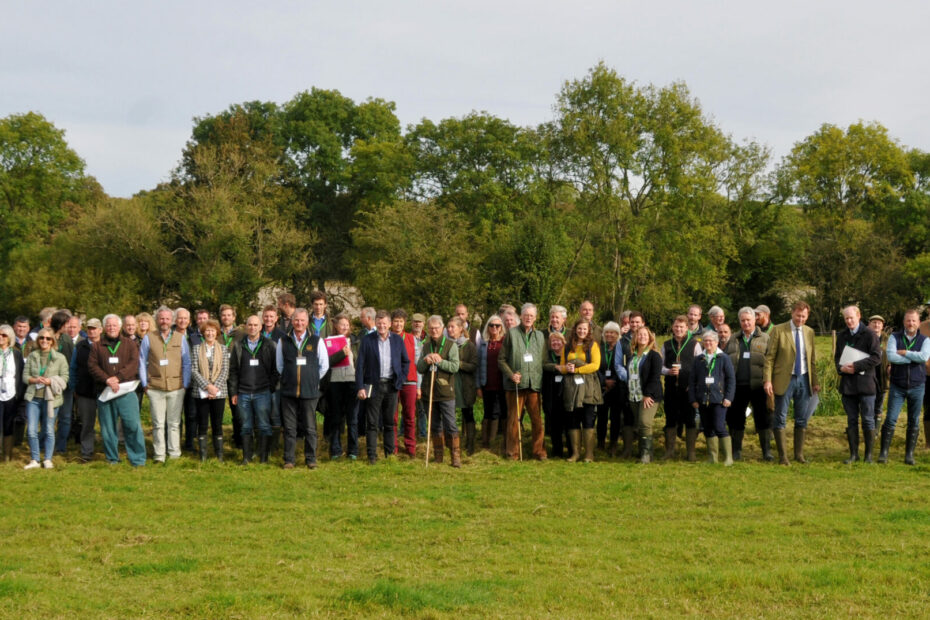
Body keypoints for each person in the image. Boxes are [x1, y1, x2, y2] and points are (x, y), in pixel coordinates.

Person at [763, 301, 820, 465]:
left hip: (803, 379)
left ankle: (799, 455)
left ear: (807, 316)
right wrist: (767, 380)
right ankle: (783, 457)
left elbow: (812, 359)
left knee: (802, 419)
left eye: (803, 316)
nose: (800, 319)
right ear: (792, 313)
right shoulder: (778, 330)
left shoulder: (809, 332)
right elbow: (769, 358)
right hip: (784, 380)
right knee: (780, 417)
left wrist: (814, 381)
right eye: (798, 315)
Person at [88, 315, 146, 466]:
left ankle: (138, 459)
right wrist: (107, 379)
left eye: (114, 325)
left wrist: (118, 378)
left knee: (133, 425)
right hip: (105, 391)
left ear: (119, 327)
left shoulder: (130, 344)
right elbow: (93, 367)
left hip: (126, 390)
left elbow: (134, 364)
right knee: (107, 428)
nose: (111, 328)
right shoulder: (97, 346)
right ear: (104, 328)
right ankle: (112, 458)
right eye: (108, 325)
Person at [276, 308, 329, 469]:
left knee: (310, 428)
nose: (299, 323)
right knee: (290, 428)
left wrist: (312, 380)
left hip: (309, 392)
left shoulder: (316, 341)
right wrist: (288, 379)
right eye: (296, 320)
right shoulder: (283, 341)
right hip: (289, 392)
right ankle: (289, 460)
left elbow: (324, 365)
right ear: (292, 321)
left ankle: (311, 459)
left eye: (302, 320)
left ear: (307, 322)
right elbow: (279, 365)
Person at [139, 306, 192, 464]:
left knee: (174, 423)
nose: (164, 321)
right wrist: (144, 383)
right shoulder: (149, 338)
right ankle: (159, 455)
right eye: (161, 318)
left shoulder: (180, 338)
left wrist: (185, 383)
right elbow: (142, 361)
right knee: (158, 424)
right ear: (157, 320)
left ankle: (174, 453)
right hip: (155, 387)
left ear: (172, 321)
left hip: (176, 387)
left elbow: (187, 362)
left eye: (167, 319)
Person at [355, 310, 409, 464]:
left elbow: (406, 362)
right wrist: (360, 387)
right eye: (379, 323)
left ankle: (389, 454)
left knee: (389, 422)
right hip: (373, 386)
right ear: (375, 323)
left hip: (392, 386)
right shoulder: (367, 340)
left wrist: (401, 378)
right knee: (371, 423)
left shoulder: (398, 340)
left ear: (390, 324)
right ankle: (372, 456)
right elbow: (360, 366)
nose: (382, 326)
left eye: (384, 323)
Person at [879, 309, 930, 465]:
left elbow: (924, 357)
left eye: (914, 321)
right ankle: (883, 453)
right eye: (908, 320)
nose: (911, 323)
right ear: (904, 322)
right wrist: (913, 357)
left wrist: (905, 352)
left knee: (913, 421)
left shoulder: (925, 340)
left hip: (917, 385)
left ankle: (909, 455)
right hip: (898, 385)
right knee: (891, 419)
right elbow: (892, 357)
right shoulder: (895, 337)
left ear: (918, 322)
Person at [499, 303, 547, 461]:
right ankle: (512, 452)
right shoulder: (511, 334)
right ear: (520, 316)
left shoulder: (540, 336)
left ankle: (538, 451)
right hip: (516, 385)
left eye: (531, 316)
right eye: (526, 315)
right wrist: (511, 374)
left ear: (535, 318)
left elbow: (544, 360)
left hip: (534, 384)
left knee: (537, 420)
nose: (528, 318)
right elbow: (501, 360)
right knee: (514, 420)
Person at [228, 315, 278, 465]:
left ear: (260, 327)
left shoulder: (269, 344)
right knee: (245, 425)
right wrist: (233, 392)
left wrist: (270, 388)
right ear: (245, 326)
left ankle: (263, 458)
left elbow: (276, 370)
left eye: (256, 325)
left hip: (263, 392)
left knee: (264, 425)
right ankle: (246, 458)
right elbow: (233, 371)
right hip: (243, 392)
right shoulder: (238, 345)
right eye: (250, 325)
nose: (252, 328)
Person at [834, 306, 882, 463]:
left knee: (868, 419)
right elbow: (837, 359)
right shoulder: (841, 336)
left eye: (851, 318)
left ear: (859, 316)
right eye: (846, 318)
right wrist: (841, 368)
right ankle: (853, 454)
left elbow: (876, 358)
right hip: (848, 386)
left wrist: (855, 366)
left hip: (866, 384)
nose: (849, 321)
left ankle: (868, 456)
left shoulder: (870, 334)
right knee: (851, 419)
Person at [725, 307, 772, 461]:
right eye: (743, 320)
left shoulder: (765, 338)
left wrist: (768, 381)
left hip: (759, 386)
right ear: (740, 322)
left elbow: (771, 362)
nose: (746, 323)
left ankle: (766, 452)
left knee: (762, 418)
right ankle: (736, 451)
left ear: (754, 320)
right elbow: (726, 361)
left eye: (748, 320)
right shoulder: (732, 339)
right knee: (736, 419)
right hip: (738, 386)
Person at [417, 315, 461, 466]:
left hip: (446, 392)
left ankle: (455, 457)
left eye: (436, 328)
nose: (434, 330)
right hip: (429, 392)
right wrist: (426, 361)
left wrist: (440, 361)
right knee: (435, 425)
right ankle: (438, 456)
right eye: (431, 328)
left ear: (442, 329)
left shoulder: (451, 345)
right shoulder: (426, 345)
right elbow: (419, 368)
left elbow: (455, 367)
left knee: (450, 424)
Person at [22, 327, 69, 469]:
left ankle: (48, 459)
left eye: (48, 338)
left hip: (51, 399)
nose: (44, 340)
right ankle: (35, 459)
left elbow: (65, 378)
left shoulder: (60, 358)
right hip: (33, 398)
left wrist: (51, 381)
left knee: (48, 429)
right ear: (38, 340)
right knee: (31, 430)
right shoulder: (32, 356)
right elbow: (25, 377)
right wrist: (35, 380)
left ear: (52, 341)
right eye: (42, 338)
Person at [689, 330, 736, 465]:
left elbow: (731, 379)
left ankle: (728, 458)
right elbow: (692, 381)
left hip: (719, 399)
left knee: (719, 426)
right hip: (702, 399)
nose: (708, 343)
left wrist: (728, 398)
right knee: (708, 427)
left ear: (716, 342)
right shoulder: (698, 359)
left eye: (711, 341)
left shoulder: (724, 358)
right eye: (706, 341)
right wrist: (693, 399)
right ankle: (712, 458)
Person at [560, 318, 603, 462]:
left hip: (589, 386)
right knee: (573, 419)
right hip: (571, 387)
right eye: (579, 328)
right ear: (575, 329)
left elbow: (595, 365)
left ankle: (589, 454)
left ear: (589, 330)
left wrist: (577, 370)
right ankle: (575, 453)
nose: (582, 331)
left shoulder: (593, 345)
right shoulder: (567, 346)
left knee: (588, 418)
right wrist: (567, 369)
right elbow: (562, 366)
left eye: (585, 329)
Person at [661, 316, 703, 460]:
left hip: (688, 389)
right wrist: (667, 371)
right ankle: (670, 451)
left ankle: (691, 452)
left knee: (690, 420)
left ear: (686, 328)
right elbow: (660, 366)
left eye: (681, 327)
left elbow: (701, 366)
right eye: (676, 327)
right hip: (671, 389)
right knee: (670, 419)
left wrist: (694, 385)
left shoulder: (694, 344)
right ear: (672, 328)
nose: (678, 329)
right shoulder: (666, 345)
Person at [191, 319, 230, 462]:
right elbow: (194, 370)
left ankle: (219, 455)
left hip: (219, 392)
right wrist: (208, 387)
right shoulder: (196, 349)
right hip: (201, 391)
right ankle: (203, 455)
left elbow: (225, 371)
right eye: (207, 330)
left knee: (217, 423)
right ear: (203, 332)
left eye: (213, 330)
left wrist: (214, 388)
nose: (210, 333)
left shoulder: (224, 349)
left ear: (217, 332)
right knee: (202, 422)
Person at [326, 314, 359, 460]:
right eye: (342, 325)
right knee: (336, 417)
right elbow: (326, 362)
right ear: (336, 326)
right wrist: (341, 354)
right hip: (335, 382)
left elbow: (360, 362)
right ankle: (335, 450)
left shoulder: (356, 342)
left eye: (347, 325)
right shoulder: (329, 342)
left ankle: (353, 450)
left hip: (352, 382)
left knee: (352, 418)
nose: (345, 327)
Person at [627, 326, 663, 463]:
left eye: (645, 335)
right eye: (639, 334)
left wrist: (647, 394)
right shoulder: (633, 356)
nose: (642, 337)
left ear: (650, 338)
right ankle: (643, 453)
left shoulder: (654, 355)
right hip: (634, 395)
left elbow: (655, 377)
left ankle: (646, 456)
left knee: (644, 422)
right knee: (639, 424)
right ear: (635, 338)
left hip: (649, 396)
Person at [70, 318, 101, 463]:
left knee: (107, 424)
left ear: (100, 330)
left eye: (94, 328)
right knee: (87, 424)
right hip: (84, 390)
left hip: (104, 391)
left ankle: (108, 450)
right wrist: (73, 386)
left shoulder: (106, 345)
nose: (92, 331)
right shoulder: (80, 346)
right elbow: (73, 368)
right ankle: (87, 452)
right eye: (89, 328)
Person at [391, 309, 421, 457]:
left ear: (404, 323)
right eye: (396, 321)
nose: (398, 324)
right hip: (392, 381)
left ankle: (410, 447)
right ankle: (393, 447)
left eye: (401, 321)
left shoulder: (411, 339)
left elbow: (417, 363)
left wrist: (419, 386)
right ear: (391, 323)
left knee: (409, 416)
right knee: (393, 416)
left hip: (410, 381)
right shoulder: (387, 338)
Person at [448, 316, 478, 456]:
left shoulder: (469, 345)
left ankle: (470, 445)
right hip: (450, 384)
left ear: (461, 329)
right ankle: (452, 444)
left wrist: (458, 364)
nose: (450, 329)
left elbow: (474, 366)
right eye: (448, 327)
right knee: (450, 414)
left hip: (465, 385)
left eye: (453, 327)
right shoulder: (446, 344)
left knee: (468, 414)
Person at [48, 310, 76, 455]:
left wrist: (71, 383)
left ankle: (60, 446)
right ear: (61, 324)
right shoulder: (46, 336)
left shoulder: (67, 339)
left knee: (65, 417)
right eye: (67, 324)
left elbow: (72, 362)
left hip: (65, 385)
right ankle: (47, 445)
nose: (69, 326)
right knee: (49, 416)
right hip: (48, 384)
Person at [478, 315, 507, 452]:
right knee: (487, 412)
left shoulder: (505, 342)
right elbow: (478, 365)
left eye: (497, 325)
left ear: (501, 327)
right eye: (491, 325)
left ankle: (493, 441)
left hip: (502, 384)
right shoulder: (484, 343)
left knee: (498, 412)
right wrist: (478, 385)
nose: (494, 328)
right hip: (486, 383)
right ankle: (484, 441)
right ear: (487, 327)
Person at [597, 322, 625, 455]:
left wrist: (613, 380)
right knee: (601, 416)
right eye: (607, 332)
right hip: (602, 387)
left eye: (613, 332)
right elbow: (595, 366)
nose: (609, 335)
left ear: (618, 335)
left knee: (615, 417)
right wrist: (604, 381)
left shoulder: (620, 348)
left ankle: (613, 443)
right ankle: (600, 442)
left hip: (617, 387)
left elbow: (622, 365)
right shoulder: (599, 348)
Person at [175, 307, 201, 452]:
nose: (183, 321)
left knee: (192, 414)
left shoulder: (195, 336)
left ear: (189, 321)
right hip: (175, 381)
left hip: (192, 382)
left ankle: (190, 444)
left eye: (185, 318)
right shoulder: (170, 335)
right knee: (175, 415)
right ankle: (175, 443)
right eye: (180, 318)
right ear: (175, 320)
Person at [261, 305, 286, 455]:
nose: (269, 319)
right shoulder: (257, 333)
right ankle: (263, 445)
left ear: (276, 318)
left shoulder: (282, 335)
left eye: (272, 316)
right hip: (259, 380)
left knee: (275, 414)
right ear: (262, 317)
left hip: (276, 382)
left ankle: (274, 447)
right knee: (262, 414)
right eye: (266, 316)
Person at [542, 331, 569, 458]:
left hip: (565, 392)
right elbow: (543, 365)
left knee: (568, 422)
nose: (556, 343)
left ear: (563, 342)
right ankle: (557, 450)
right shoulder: (547, 356)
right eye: (553, 341)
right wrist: (555, 367)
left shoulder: (568, 355)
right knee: (554, 423)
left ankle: (571, 450)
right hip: (550, 393)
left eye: (558, 340)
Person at [0, 325, 24, 462]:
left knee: (8, 423)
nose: (1, 338)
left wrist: (19, 395)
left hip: (10, 392)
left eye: (4, 335)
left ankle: (7, 455)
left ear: (9, 338)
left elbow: (20, 374)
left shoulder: (15, 354)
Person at [868, 315, 889, 429]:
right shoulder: (864, 338)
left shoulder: (888, 339)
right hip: (868, 376)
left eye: (879, 323)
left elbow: (891, 355)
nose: (876, 325)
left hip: (882, 376)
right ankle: (868, 427)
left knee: (879, 405)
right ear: (869, 324)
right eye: (874, 322)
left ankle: (876, 429)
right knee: (867, 403)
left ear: (882, 326)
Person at [411, 313, 428, 439]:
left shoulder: (428, 338)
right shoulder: (408, 338)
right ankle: (403, 432)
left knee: (422, 408)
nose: (417, 324)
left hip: (425, 376)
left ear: (424, 324)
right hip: (411, 375)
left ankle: (422, 433)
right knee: (410, 407)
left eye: (420, 322)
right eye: (415, 322)